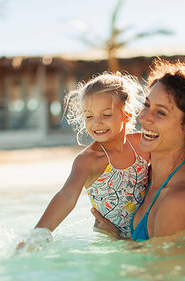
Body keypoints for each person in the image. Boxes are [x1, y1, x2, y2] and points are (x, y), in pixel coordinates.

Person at [92, 58, 185, 241]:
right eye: (147, 105)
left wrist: (116, 238)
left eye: (161, 112)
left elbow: (161, 269)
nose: (144, 118)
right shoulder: (146, 174)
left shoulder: (180, 200)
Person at [35, 72, 150, 237]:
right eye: (89, 116)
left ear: (127, 114)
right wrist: (37, 235)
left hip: (145, 236)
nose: (97, 122)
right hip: (112, 243)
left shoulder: (141, 144)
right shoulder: (88, 160)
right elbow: (66, 196)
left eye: (106, 114)